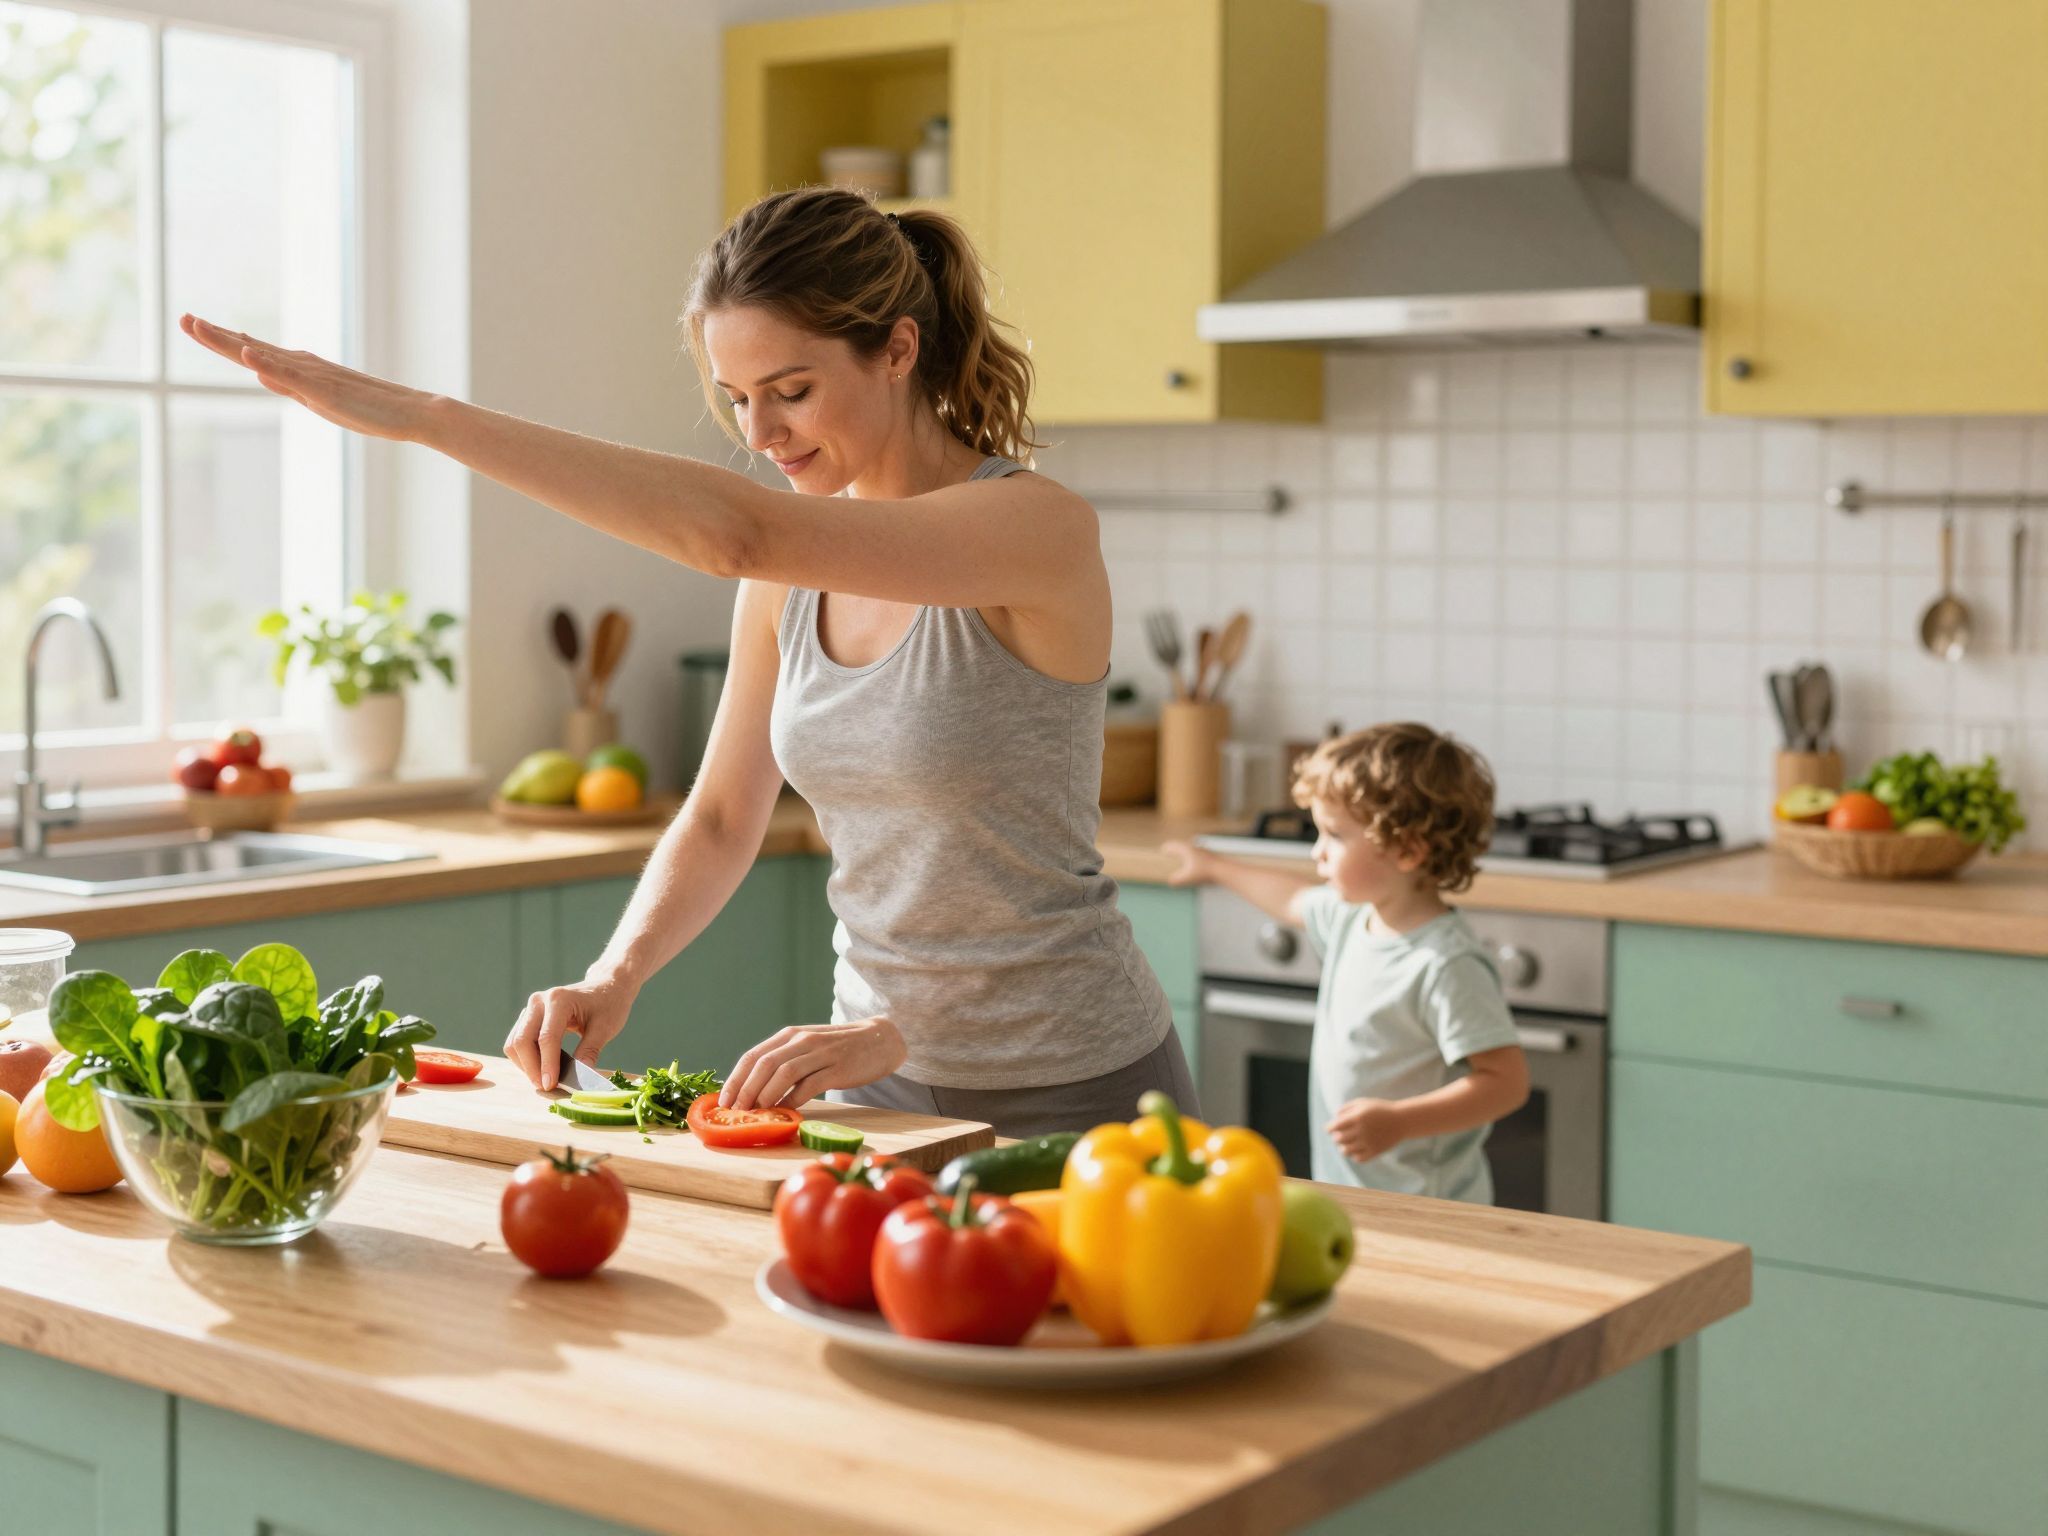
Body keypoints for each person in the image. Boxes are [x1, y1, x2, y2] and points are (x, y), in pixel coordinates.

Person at [182, 185, 1193, 1140]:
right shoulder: (790, 571)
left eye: (791, 391)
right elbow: (718, 818)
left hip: (1068, 1084)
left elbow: (735, 533)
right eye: (737, 397)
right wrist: (614, 974)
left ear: (896, 350)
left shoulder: (1033, 529)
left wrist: (429, 421)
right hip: (862, 1079)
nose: (760, 434)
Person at [1162, 723, 1529, 1201]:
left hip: (1428, 1202)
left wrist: (1400, 1122)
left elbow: (1505, 1083)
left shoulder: (1444, 963)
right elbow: (1293, 900)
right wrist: (1214, 866)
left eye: (1334, 835)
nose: (1318, 852)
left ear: (1407, 849)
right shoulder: (1353, 918)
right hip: (1353, 1192)